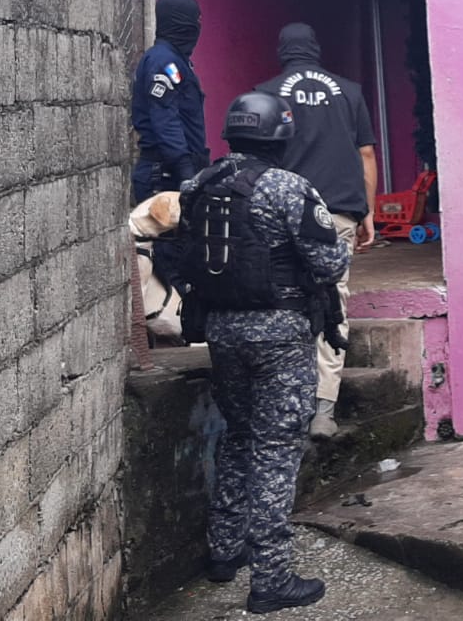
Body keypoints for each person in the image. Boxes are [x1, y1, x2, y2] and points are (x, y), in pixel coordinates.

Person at [178, 92, 350, 614]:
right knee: (276, 449)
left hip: (221, 330)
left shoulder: (198, 186)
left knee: (239, 436)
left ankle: (223, 551)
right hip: (280, 335)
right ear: (281, 136)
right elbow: (330, 264)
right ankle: (271, 577)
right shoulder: (288, 188)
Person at [256, 22, 377, 438]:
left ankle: (286, 402)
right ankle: (324, 409)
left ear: (283, 51)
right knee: (332, 301)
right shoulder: (350, 92)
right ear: (315, 49)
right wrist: (367, 210)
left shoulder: (267, 93)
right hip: (339, 211)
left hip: (285, 213)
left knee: (285, 300)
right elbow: (365, 154)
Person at [130, 0, 208, 203]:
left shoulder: (175, 61)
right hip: (165, 176)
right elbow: (165, 119)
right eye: (195, 21)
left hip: (173, 172)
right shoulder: (163, 62)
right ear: (181, 23)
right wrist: (185, 172)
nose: (197, 28)